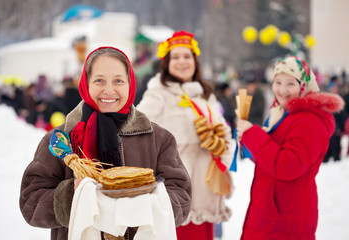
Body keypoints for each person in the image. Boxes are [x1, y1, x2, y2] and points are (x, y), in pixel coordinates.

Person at [19, 46, 192, 240]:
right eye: (99, 80)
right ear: (86, 84)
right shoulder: (61, 140)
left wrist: (148, 204)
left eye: (118, 81)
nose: (109, 90)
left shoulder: (159, 138)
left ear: (130, 84)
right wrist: (72, 196)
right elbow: (30, 204)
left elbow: (182, 198)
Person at [136, 30, 235, 240]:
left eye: (187, 56)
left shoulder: (202, 95)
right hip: (179, 197)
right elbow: (134, 133)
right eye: (176, 57)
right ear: (167, 63)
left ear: (195, 61)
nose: (182, 62)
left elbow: (224, 131)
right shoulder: (158, 94)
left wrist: (220, 144)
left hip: (207, 194)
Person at [236, 56, 344, 240]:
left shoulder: (309, 120)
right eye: (278, 82)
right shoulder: (283, 113)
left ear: (304, 85)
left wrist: (253, 135)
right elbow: (273, 154)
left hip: (286, 215)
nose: (282, 90)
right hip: (273, 210)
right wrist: (250, 142)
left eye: (291, 84)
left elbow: (288, 166)